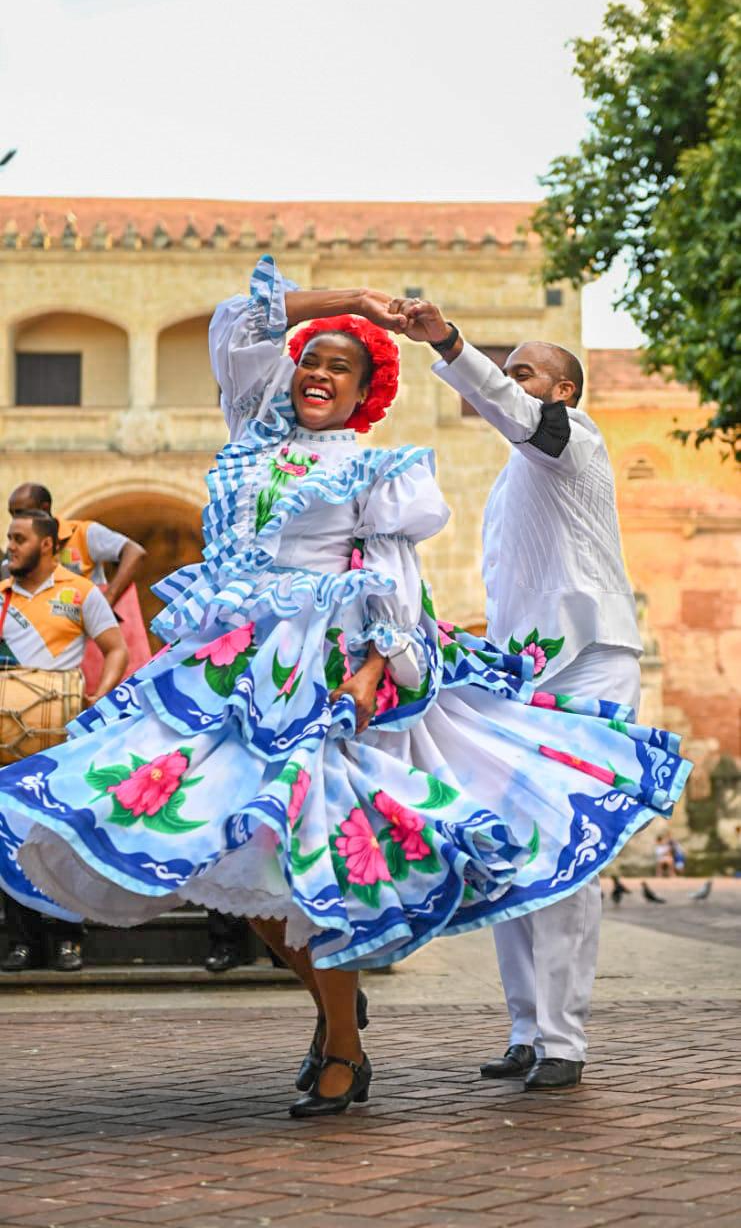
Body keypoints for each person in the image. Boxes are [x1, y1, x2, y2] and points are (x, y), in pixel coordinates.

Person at [0, 258, 690, 1114]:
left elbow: (391, 574)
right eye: (309, 359)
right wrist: (349, 305)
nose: (318, 372)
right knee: (220, 854)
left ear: (366, 390)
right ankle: (365, 1011)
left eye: (342, 364)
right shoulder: (252, 427)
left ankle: (384, 1042)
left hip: (323, 673)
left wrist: (373, 668)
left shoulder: (397, 465)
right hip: (225, 668)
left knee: (322, 853)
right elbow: (234, 322)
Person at [387, 294, 648, 1090]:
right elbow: (527, 592)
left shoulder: (574, 443)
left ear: (562, 391)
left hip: (592, 665)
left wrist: (447, 342)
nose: (508, 382)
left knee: (565, 854)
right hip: (524, 678)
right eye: (506, 373)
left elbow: (515, 414)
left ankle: (563, 1042)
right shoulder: (510, 483)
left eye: (524, 372)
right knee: (508, 852)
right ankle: (526, 1029)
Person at [0, 510, 127, 971]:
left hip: (60, 735)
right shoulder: (3, 596)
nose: (10, 546)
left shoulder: (79, 591)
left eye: (19, 538)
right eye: (9, 538)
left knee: (59, 835)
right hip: (9, 739)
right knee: (9, 836)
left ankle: (67, 937)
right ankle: (21, 939)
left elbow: (117, 649)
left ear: (49, 545)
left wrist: (100, 695)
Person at [7, 484, 150, 686]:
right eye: (12, 514)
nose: (16, 520)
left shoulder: (83, 533)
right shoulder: (19, 556)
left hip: (89, 631)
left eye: (22, 512)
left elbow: (134, 552)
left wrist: (108, 598)